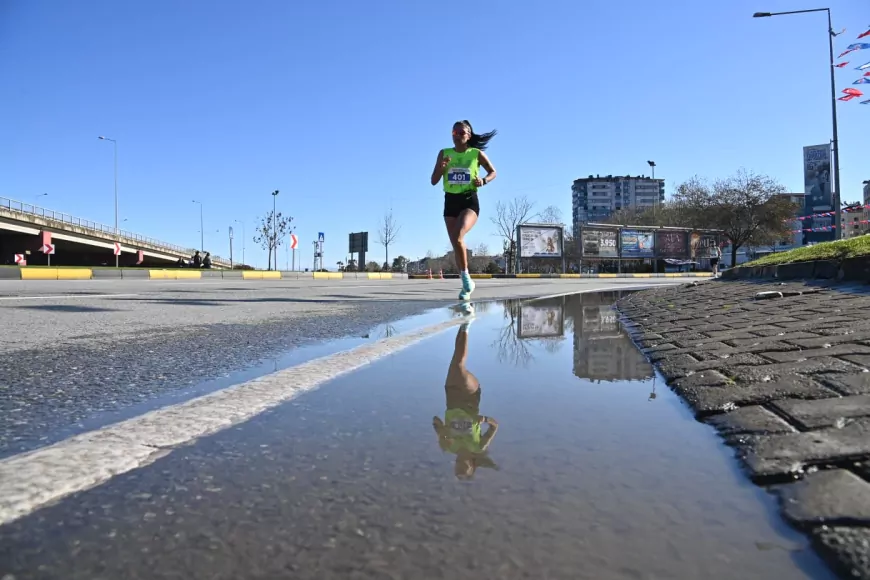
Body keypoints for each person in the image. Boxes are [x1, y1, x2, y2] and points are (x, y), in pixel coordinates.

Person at [431, 120, 497, 300]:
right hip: (450, 200)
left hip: (469, 200)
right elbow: (434, 180)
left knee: (459, 235)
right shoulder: (444, 153)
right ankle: (465, 281)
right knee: (456, 243)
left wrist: (483, 181)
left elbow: (493, 172)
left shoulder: (476, 153)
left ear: (468, 135)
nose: (457, 136)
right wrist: (442, 167)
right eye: (454, 132)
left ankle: (467, 280)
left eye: (461, 133)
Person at [432, 321, 499, 480]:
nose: (460, 464)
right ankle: (467, 321)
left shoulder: (448, 447)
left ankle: (464, 323)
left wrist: (442, 432)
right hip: (470, 399)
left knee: (456, 359)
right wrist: (484, 419)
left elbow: (435, 420)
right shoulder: (478, 447)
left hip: (452, 396)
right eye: (465, 467)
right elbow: (495, 426)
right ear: (472, 464)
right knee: (459, 365)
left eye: (457, 467)